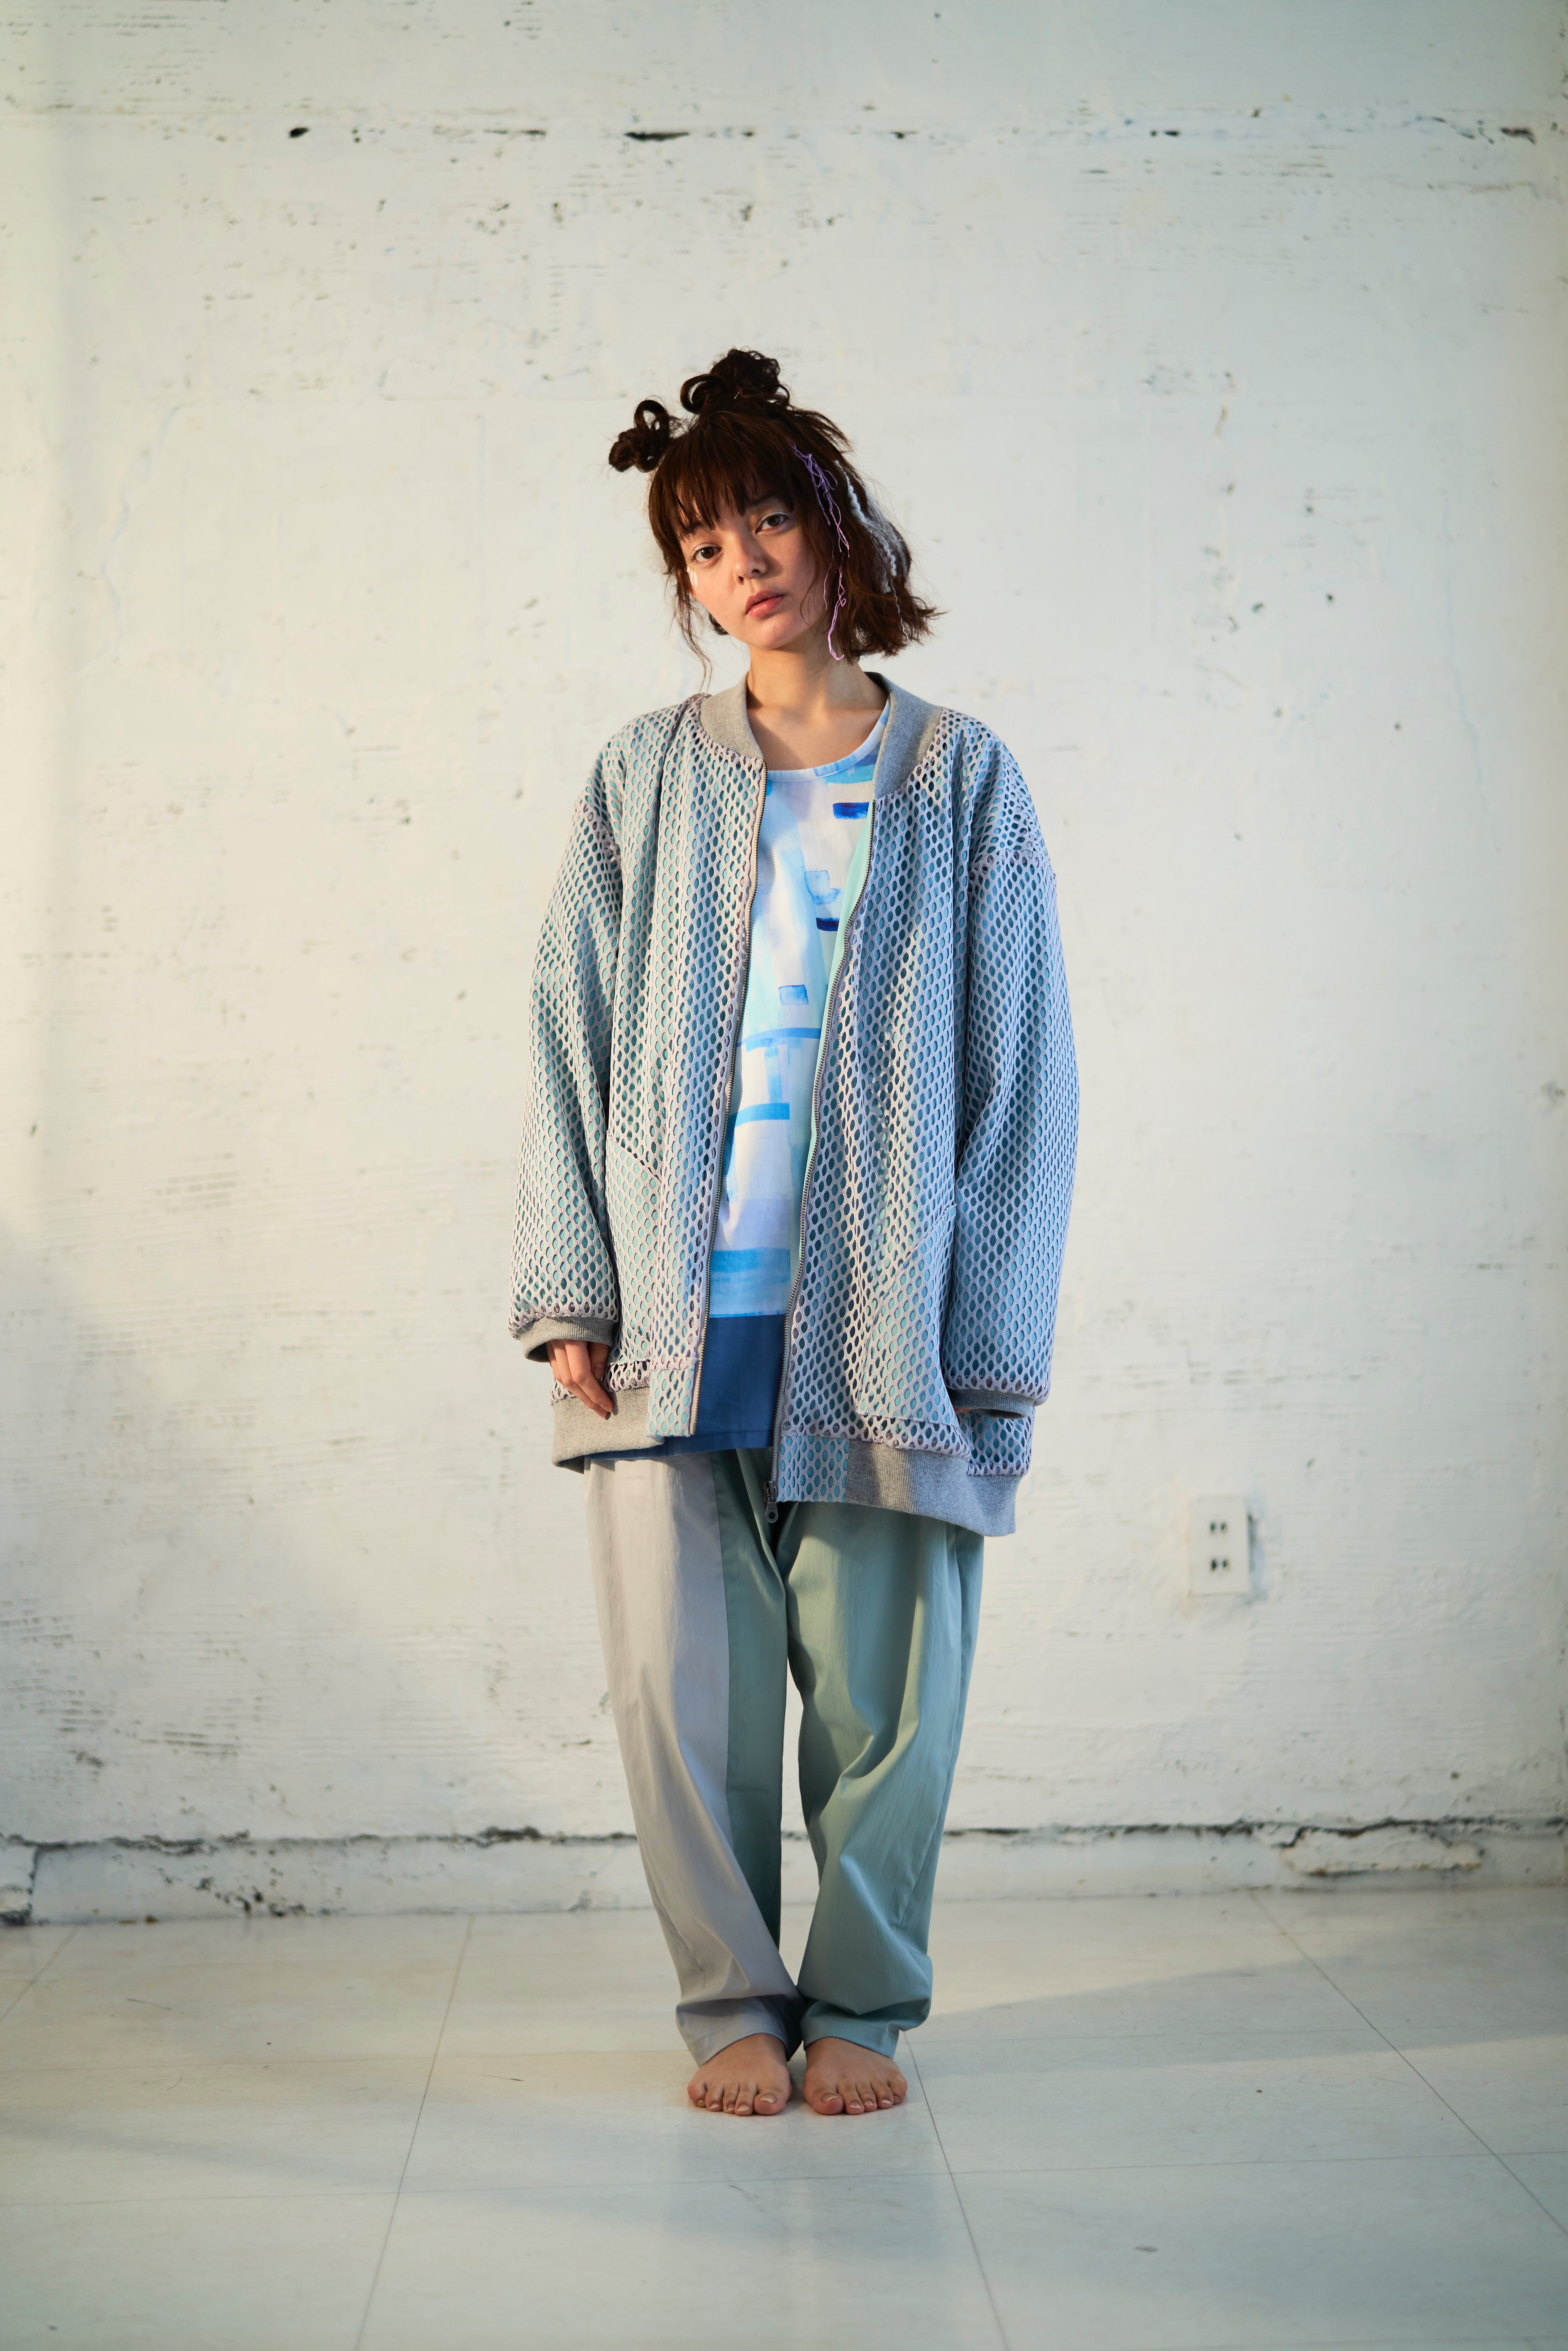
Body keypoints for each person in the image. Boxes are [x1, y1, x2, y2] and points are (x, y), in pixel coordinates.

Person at [511, 349, 1077, 2119]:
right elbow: (567, 1026)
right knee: (681, 1703)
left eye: (767, 519)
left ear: (837, 534)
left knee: (890, 1703)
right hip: (676, 1312)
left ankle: (862, 2007)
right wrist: (572, 1284)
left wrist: (990, 1341)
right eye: (703, 544)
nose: (740, 561)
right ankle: (731, 2004)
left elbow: (1024, 1076)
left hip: (885, 1323)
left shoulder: (961, 778)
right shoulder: (640, 775)